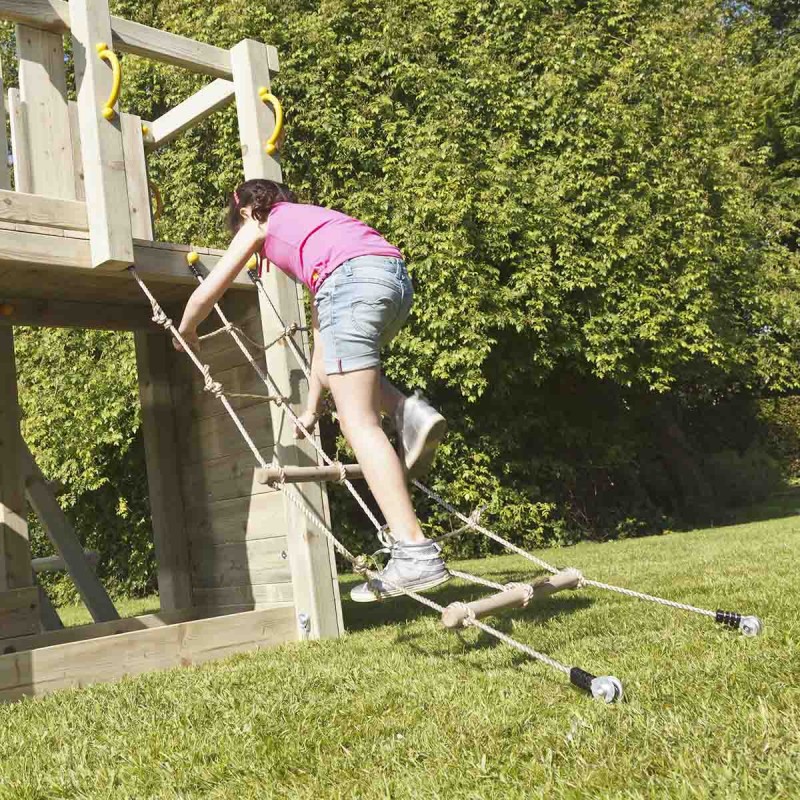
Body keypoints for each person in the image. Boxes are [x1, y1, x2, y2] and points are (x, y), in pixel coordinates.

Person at [174, 178, 449, 601]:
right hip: (392, 281)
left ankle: (415, 553)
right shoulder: (321, 230)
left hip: (350, 288)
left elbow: (209, 290)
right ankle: (410, 411)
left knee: (358, 423)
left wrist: (187, 331)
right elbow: (326, 356)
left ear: (247, 210)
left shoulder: (260, 224)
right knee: (353, 379)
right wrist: (310, 410)